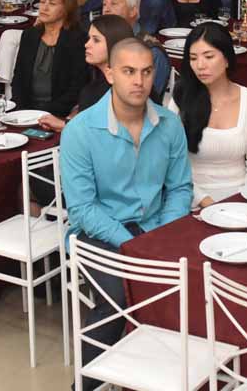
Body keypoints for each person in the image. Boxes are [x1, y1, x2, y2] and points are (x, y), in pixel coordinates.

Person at [60, 37, 192, 391]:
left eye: (147, 72)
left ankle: (163, 379)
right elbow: (83, 209)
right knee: (119, 297)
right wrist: (136, 245)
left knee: (198, 285)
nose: (139, 81)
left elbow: (180, 189)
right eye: (129, 71)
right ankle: (84, 385)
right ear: (109, 74)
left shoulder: (169, 124)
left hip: (157, 227)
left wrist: (162, 237)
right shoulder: (80, 131)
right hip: (99, 233)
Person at [172, 23, 247, 208]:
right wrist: (207, 203)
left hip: (240, 200)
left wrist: (246, 201)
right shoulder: (180, 99)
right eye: (193, 58)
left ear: (227, 59)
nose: (200, 65)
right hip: (191, 202)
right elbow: (173, 166)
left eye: (209, 56)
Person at [37, 14, 135, 134]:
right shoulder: (94, 83)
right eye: (89, 38)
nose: (87, 44)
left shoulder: (130, 87)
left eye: (96, 40)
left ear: (114, 43)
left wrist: (65, 125)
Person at [11, 0, 87, 117]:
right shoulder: (30, 35)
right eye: (42, 1)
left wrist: (45, 113)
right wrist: (21, 112)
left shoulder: (77, 39)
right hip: (25, 111)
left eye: (52, 3)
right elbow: (18, 77)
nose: (44, 8)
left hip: (61, 112)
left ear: (66, 8)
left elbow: (77, 87)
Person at [101, 0, 171, 99]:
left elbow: (149, 101)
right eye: (104, 4)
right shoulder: (100, 43)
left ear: (133, 11)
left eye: (114, 4)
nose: (106, 10)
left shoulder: (151, 51)